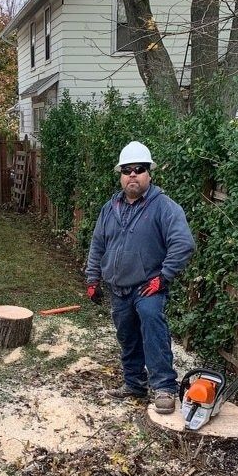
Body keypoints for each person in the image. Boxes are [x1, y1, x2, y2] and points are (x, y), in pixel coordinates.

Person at [85, 140, 195, 414]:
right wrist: (92, 278)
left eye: (139, 169)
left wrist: (163, 277)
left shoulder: (164, 207)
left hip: (149, 288)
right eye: (127, 170)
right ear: (121, 175)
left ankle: (165, 388)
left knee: (153, 330)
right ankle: (134, 383)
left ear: (149, 173)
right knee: (127, 335)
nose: (132, 174)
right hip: (118, 287)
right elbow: (98, 243)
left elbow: (183, 243)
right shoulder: (110, 208)